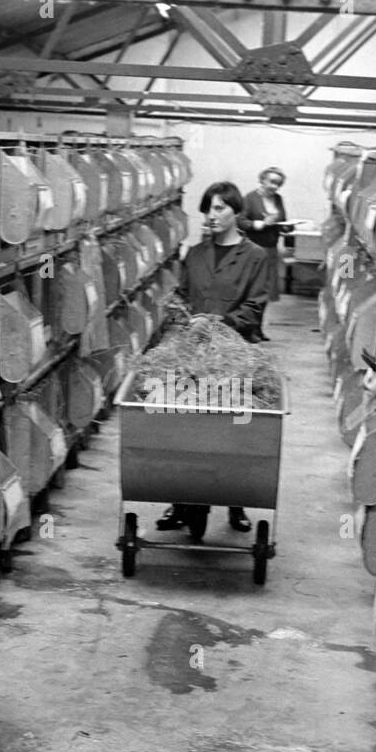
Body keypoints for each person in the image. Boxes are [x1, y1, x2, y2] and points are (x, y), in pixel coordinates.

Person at [156, 180, 269, 537]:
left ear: (237, 213)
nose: (212, 215)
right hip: (191, 356)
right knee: (184, 429)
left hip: (234, 356)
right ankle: (179, 500)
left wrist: (220, 324)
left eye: (220, 208)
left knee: (231, 431)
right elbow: (182, 294)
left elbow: (256, 306)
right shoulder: (195, 254)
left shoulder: (255, 257)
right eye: (208, 208)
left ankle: (235, 502)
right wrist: (178, 312)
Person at [238, 167, 295, 341]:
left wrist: (286, 226)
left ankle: (258, 328)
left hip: (270, 249)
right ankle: (247, 330)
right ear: (262, 180)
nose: (274, 187)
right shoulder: (250, 198)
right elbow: (240, 221)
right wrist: (261, 224)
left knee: (265, 293)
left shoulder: (278, 199)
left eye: (278, 184)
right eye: (271, 182)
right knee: (252, 291)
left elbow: (282, 219)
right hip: (253, 249)